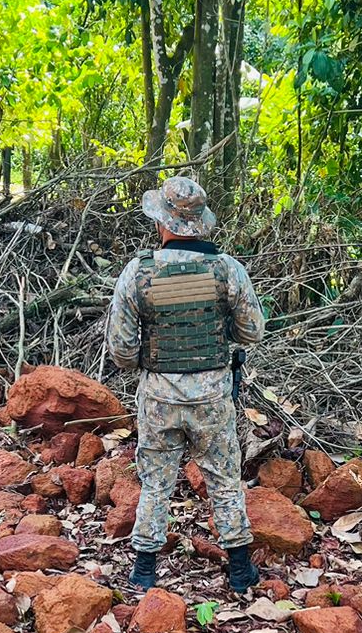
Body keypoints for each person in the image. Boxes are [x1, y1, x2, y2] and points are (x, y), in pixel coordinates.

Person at [107, 174, 265, 593]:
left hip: (158, 395)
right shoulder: (226, 269)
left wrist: (153, 366)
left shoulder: (137, 272)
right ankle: (240, 570)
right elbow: (252, 331)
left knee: (155, 482)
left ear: (162, 223)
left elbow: (121, 348)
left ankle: (144, 571)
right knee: (225, 480)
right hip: (213, 394)